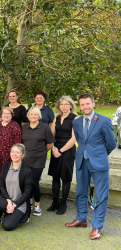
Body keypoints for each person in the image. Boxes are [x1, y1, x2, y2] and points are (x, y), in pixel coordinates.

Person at [65, 93, 116, 240]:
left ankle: (97, 226)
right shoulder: (76, 122)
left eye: (88, 104)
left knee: (101, 195)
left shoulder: (104, 120)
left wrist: (99, 154)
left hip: (99, 163)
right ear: (79, 106)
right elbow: (81, 141)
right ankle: (81, 219)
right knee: (81, 191)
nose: (85, 107)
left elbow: (111, 143)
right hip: (81, 161)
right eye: (82, 104)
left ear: (93, 104)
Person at [22, 107, 55, 217]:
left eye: (35, 114)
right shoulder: (24, 127)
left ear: (39, 116)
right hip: (25, 158)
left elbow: (50, 143)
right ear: (28, 115)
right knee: (27, 182)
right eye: (31, 114)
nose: (33, 116)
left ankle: (37, 205)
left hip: (38, 159)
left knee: (34, 182)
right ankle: (29, 203)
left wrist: (42, 152)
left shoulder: (44, 127)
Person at [47, 96, 78, 215]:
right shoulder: (56, 118)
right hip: (55, 149)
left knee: (65, 178)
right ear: (59, 106)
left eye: (66, 104)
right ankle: (55, 202)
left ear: (71, 105)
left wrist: (61, 151)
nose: (64, 106)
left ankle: (63, 203)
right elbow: (51, 135)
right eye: (61, 104)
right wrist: (54, 149)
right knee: (55, 177)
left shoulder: (75, 119)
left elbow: (74, 138)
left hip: (68, 150)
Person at [0, 144, 33, 231]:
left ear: (22, 155)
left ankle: (19, 216)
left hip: (19, 203)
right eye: (12, 152)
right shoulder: (5, 167)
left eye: (17, 152)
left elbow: (27, 193)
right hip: (7, 199)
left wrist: (14, 205)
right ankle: (7, 212)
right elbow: (2, 186)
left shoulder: (27, 171)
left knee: (7, 226)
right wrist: (9, 201)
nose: (14, 154)